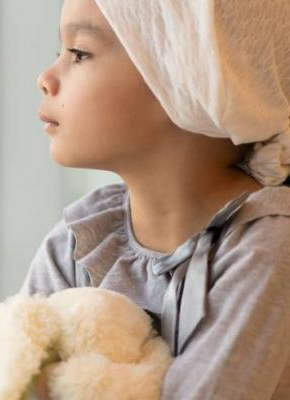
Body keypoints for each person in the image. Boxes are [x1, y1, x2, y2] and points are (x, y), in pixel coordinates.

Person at [23, 0, 290, 398]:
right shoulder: (79, 240)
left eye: (79, 53)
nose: (45, 78)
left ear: (186, 76)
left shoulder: (268, 250)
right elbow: (11, 375)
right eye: (58, 52)